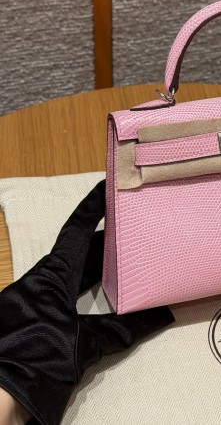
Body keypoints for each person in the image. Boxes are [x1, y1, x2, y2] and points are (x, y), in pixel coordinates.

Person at [0, 181, 175, 425]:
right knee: (76, 244)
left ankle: (118, 245)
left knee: (120, 324)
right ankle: (123, 239)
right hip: (36, 341)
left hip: (44, 375)